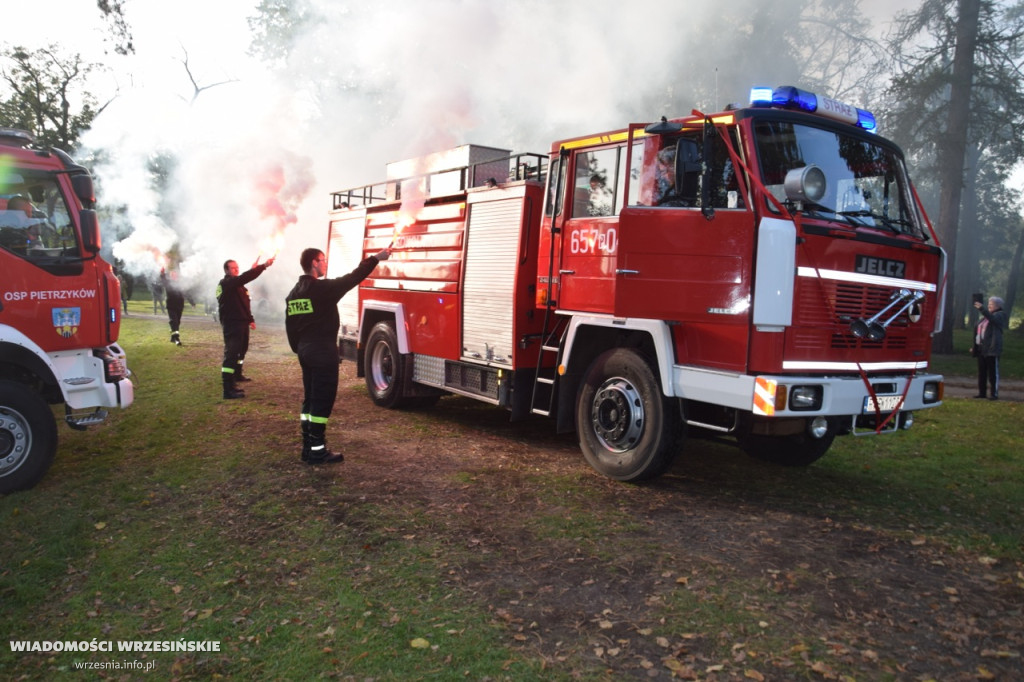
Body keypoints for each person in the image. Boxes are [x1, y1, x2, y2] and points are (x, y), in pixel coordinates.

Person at [285, 245, 390, 464]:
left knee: (310, 400)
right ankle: (317, 450)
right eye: (322, 260)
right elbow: (353, 277)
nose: (325, 263)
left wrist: (301, 348)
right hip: (322, 351)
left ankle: (308, 447)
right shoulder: (322, 289)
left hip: (305, 351)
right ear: (314, 262)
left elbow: (290, 327)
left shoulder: (293, 294)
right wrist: (376, 258)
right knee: (322, 402)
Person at [217, 257, 274, 399]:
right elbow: (245, 277)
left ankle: (236, 376)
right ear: (226, 270)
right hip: (232, 324)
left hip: (241, 323)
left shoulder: (238, 286)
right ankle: (227, 389)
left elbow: (244, 304)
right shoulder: (227, 283)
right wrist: (262, 266)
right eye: (233, 268)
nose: (236, 269)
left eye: (237, 267)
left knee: (241, 351)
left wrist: (250, 320)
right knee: (231, 355)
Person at [971, 296, 1008, 400]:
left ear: (998, 306)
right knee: (982, 373)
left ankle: (994, 394)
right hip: (981, 349)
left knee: (992, 373)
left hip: (992, 349)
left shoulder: (1000, 315)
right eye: (988, 304)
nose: (988, 306)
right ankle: (982, 393)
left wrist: (983, 309)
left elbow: (993, 320)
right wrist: (975, 346)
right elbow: (979, 330)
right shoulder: (985, 316)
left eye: (991, 305)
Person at [161, 268, 193, 346]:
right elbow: (163, 280)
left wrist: (192, 302)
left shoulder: (180, 284)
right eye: (172, 274)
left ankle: (173, 337)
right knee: (174, 321)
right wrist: (162, 274)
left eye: (175, 274)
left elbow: (186, 293)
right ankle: (176, 338)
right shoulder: (168, 283)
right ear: (170, 276)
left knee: (177, 322)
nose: (174, 276)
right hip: (171, 306)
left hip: (179, 306)